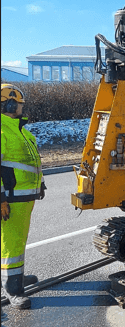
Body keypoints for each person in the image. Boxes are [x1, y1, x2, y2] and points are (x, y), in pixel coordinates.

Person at [1, 84, 46, 309]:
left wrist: (41, 184)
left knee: (18, 241)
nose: (20, 107)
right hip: (10, 200)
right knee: (12, 244)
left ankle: (15, 278)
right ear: (9, 103)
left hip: (23, 198)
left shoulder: (22, 130)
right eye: (18, 104)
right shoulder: (2, 130)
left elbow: (32, 161)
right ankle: (12, 289)